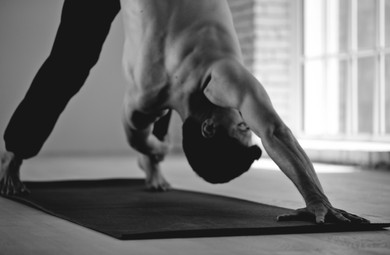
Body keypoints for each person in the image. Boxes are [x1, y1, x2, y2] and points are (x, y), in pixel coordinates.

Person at [0, 0, 369, 224]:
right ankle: (14, 154)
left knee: (72, 60)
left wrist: (317, 199)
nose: (249, 123)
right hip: (157, 80)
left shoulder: (219, 76)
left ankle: (13, 154)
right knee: (72, 61)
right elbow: (138, 135)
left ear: (209, 127)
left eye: (242, 127)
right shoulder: (144, 101)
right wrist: (152, 153)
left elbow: (274, 130)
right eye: (247, 126)